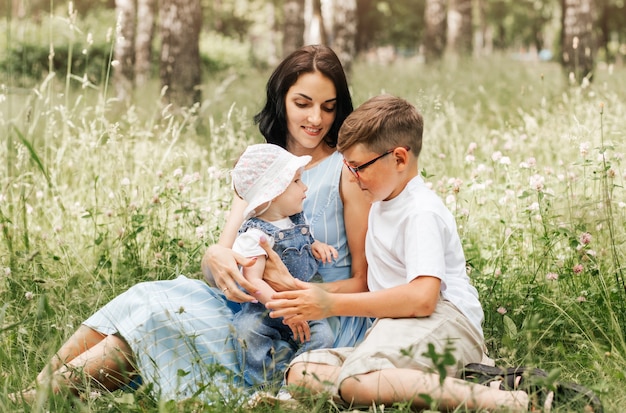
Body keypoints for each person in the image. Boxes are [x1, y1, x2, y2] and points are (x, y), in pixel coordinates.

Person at [11, 44, 372, 403]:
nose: (316, 119)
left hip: (312, 318)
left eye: (328, 107)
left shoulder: (347, 170)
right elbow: (219, 265)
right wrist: (215, 255)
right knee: (144, 298)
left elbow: (363, 280)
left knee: (158, 321)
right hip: (250, 300)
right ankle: (39, 388)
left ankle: (36, 399)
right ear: (282, 99)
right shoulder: (262, 167)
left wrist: (297, 294)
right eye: (303, 103)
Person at [264, 94, 603, 412]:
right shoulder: (383, 201)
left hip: (445, 320)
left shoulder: (420, 211)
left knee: (356, 381)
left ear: (398, 157)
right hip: (401, 328)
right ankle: (465, 378)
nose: (352, 177)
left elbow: (424, 297)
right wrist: (301, 293)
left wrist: (331, 304)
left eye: (359, 167)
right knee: (303, 373)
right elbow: (374, 286)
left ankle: (511, 400)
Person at [229, 143, 337, 387]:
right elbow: (254, 281)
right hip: (266, 310)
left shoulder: (295, 219)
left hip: (302, 303)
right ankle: (266, 384)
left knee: (323, 335)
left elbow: (303, 240)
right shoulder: (254, 235)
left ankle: (294, 382)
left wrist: (316, 245)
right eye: (297, 181)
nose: (305, 187)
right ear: (274, 191)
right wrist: (284, 309)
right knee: (247, 333)